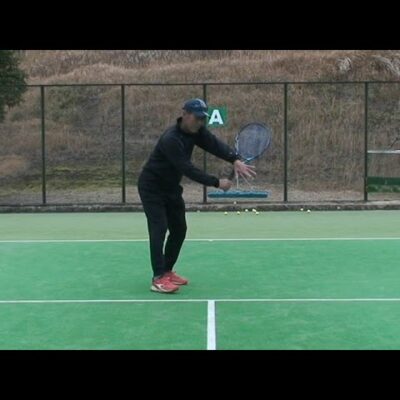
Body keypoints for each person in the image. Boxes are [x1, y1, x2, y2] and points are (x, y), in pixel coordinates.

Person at [137, 98, 256, 293]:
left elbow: (214, 145)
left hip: (171, 188)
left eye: (203, 119)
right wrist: (216, 182)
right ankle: (158, 278)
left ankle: (167, 270)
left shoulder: (197, 132)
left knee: (179, 229)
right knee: (159, 228)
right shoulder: (171, 139)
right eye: (197, 118)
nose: (200, 122)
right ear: (185, 115)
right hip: (152, 187)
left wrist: (234, 159)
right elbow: (187, 168)